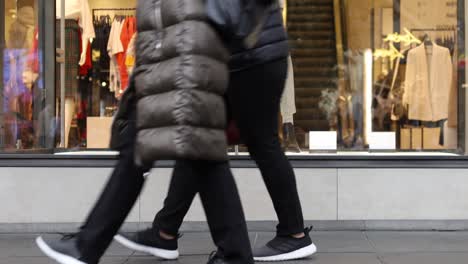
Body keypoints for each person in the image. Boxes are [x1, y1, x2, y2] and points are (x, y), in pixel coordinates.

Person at [34, 1, 253, 264]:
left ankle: (88, 245)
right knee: (198, 153)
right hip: (177, 50)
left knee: (150, 146)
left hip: (187, 50)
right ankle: (231, 253)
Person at [113, 1, 317, 262]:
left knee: (259, 144)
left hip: (249, 58)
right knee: (201, 141)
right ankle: (165, 231)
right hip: (248, 55)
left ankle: (293, 233)